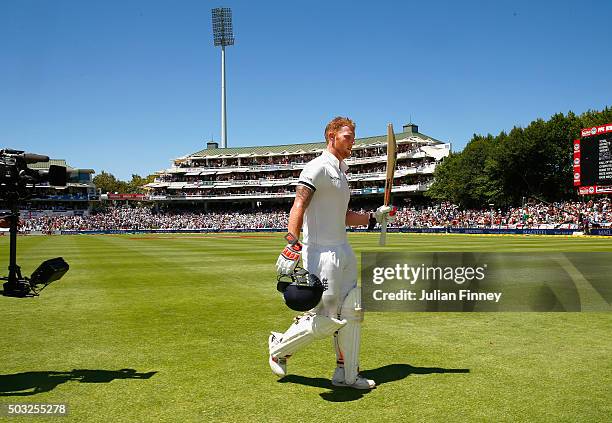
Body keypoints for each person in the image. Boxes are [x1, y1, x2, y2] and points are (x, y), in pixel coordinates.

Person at [268, 116, 394, 390]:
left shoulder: (341, 172)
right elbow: (298, 204)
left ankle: (346, 375)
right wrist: (292, 244)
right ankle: (280, 346)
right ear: (331, 137)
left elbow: (344, 216)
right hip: (320, 253)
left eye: (353, 137)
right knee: (326, 319)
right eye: (347, 137)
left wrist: (373, 217)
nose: (352, 142)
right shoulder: (318, 168)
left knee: (353, 311)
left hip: (343, 250)